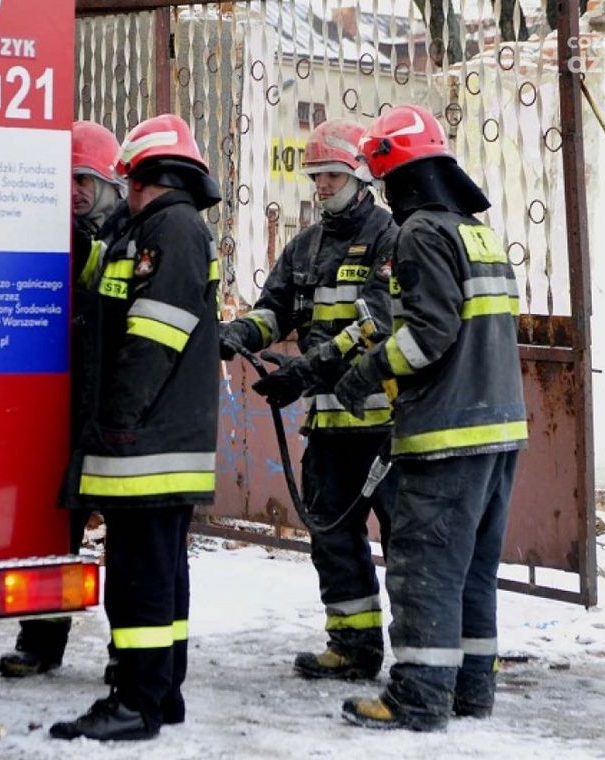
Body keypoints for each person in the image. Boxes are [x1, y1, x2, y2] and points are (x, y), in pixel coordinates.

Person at [335, 103, 528, 731]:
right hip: (500, 434)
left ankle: (418, 697)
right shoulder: (477, 233)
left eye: (385, 181)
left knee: (425, 567)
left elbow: (430, 335)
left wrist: (366, 371)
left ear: (400, 177)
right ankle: (471, 691)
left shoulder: (421, 234)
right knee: (472, 570)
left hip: (446, 433)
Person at [49, 113, 222, 742]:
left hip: (146, 442)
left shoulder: (169, 229)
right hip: (158, 440)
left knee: (138, 579)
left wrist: (116, 420)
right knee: (160, 573)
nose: (126, 190)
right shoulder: (151, 229)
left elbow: (153, 335)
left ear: (147, 175)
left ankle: (134, 703)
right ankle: (160, 691)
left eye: (130, 179)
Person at [219, 119, 398, 681]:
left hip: (385, 427)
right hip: (328, 427)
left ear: (358, 175)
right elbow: (276, 307)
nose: (320, 186)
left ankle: (422, 658)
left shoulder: (391, 237)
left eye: (330, 175)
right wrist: (242, 333)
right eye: (316, 176)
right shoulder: (306, 247)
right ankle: (352, 646)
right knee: (332, 539)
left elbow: (375, 323)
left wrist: (305, 371)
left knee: (406, 544)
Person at [0, 120, 128, 678]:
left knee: (129, 543)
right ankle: (40, 641)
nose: (73, 191)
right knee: (54, 532)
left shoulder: (134, 236)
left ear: (109, 181)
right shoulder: (51, 236)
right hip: (63, 411)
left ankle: (132, 653)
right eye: (65, 180)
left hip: (120, 414)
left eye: (83, 178)